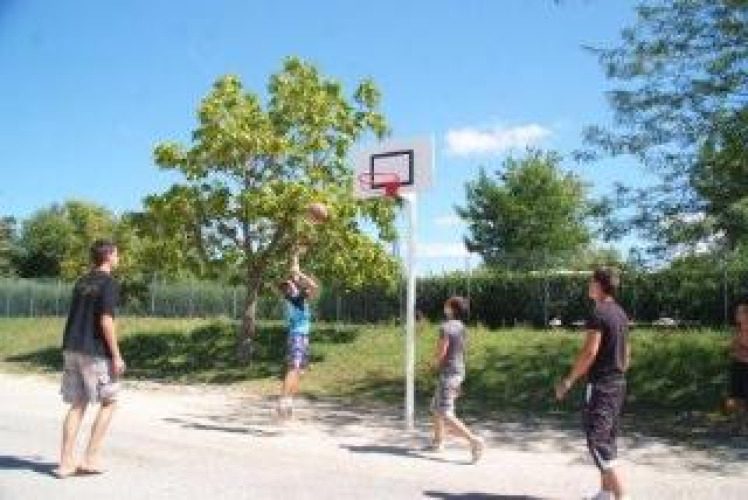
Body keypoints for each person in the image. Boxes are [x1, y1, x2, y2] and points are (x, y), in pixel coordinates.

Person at [555, 268, 630, 500]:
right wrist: (619, 370)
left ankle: (620, 495)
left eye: (591, 282)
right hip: (617, 383)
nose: (589, 285)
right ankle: (605, 493)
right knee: (607, 439)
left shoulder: (598, 313)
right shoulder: (620, 313)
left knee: (597, 441)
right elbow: (627, 351)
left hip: (602, 386)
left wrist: (568, 381)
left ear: (600, 285)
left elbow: (590, 352)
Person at [56, 240, 125, 478]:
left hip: (71, 348)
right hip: (94, 351)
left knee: (78, 404)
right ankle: (90, 459)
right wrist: (116, 356)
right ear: (108, 257)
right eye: (117, 254)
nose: (119, 258)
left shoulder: (82, 282)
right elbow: (106, 322)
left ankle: (65, 463)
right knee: (110, 401)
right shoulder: (108, 283)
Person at [428, 296, 484, 464]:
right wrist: (459, 381)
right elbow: (462, 351)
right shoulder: (462, 328)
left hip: (448, 374)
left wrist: (432, 364)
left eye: (446, 304)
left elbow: (441, 352)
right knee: (436, 408)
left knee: (445, 413)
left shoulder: (445, 327)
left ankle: (474, 441)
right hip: (458, 372)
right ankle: (438, 442)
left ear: (452, 309)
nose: (444, 306)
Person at [275, 250, 319, 421]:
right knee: (293, 369)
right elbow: (313, 286)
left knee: (300, 371)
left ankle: (288, 401)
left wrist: (295, 255)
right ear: (288, 290)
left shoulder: (295, 297)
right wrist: (298, 272)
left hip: (301, 336)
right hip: (297, 336)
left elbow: (297, 278)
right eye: (291, 284)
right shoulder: (295, 298)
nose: (294, 284)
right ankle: (282, 402)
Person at [725, 301, 748, 434]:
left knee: (746, 397)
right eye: (736, 312)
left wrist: (740, 349)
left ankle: (744, 426)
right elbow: (732, 349)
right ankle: (739, 424)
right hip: (737, 364)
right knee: (737, 396)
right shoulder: (736, 330)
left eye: (739, 312)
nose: (736, 315)